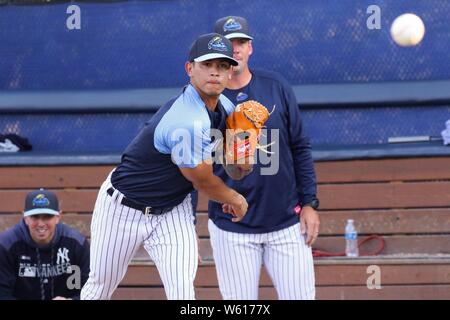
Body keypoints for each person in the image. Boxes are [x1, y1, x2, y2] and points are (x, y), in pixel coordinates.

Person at [80, 33, 249, 300]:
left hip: (172, 209)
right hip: (123, 209)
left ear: (230, 73)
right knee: (100, 287)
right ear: (190, 69)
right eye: (207, 65)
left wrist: (243, 159)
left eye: (223, 66)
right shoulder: (186, 119)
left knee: (182, 293)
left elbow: (234, 167)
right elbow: (202, 181)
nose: (215, 73)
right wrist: (234, 198)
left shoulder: (226, 107)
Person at [208, 16, 320, 300]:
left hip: (285, 223)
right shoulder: (203, 98)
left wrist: (309, 203)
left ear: (250, 49)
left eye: (241, 42)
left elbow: (300, 147)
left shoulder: (276, 86)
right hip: (232, 228)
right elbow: (191, 164)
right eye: (229, 43)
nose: (236, 49)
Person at [0, 188, 90, 300]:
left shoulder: (77, 244)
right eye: (35, 217)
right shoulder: (6, 245)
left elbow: (91, 290)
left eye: (47, 216)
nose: (41, 223)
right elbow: (2, 294)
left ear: (58, 217)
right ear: (25, 217)